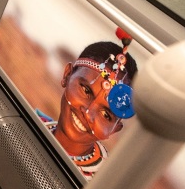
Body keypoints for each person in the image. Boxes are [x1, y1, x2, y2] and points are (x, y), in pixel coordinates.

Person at [37, 39, 138, 179]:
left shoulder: (102, 184)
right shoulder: (30, 120)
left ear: (114, 129)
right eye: (86, 90)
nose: (88, 113)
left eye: (106, 115)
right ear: (67, 75)